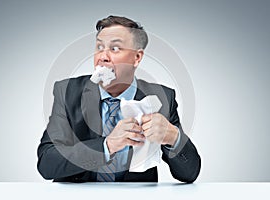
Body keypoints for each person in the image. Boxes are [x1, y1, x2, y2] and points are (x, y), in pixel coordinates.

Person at [37, 15, 201, 182]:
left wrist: (174, 137)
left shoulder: (161, 98)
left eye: (115, 49)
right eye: (99, 47)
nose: (103, 56)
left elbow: (189, 174)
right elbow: (47, 163)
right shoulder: (68, 92)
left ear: (137, 58)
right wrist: (107, 146)